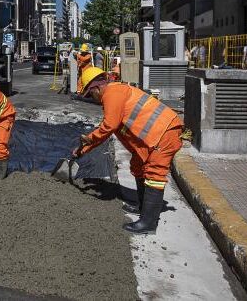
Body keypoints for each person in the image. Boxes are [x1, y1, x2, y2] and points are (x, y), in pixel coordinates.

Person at [71, 67, 183, 234]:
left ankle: (148, 223)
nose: (92, 99)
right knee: (137, 166)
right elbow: (106, 131)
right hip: (154, 136)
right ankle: (143, 207)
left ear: (96, 88)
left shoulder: (112, 93)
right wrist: (81, 151)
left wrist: (90, 138)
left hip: (165, 132)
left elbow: (109, 126)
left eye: (90, 95)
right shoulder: (114, 94)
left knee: (154, 174)